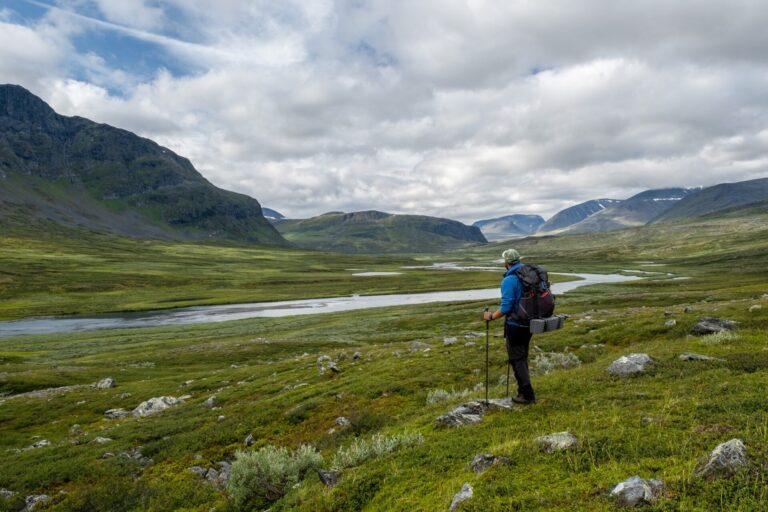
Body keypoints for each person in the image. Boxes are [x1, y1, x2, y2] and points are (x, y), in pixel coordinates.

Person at [482, 248, 536, 405]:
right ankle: (524, 392)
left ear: (506, 262)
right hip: (529, 323)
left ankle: (527, 395)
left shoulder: (509, 280)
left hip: (516, 325)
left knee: (517, 359)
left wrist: (491, 316)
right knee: (522, 355)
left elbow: (506, 307)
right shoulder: (529, 274)